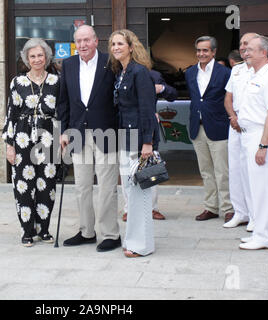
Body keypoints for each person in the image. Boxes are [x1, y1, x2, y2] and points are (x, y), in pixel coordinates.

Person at [57, 25, 121, 252]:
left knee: (107, 188)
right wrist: (63, 131)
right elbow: (63, 102)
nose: (83, 45)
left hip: (107, 133)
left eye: (87, 40)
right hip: (77, 133)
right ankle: (86, 232)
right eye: (79, 41)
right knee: (82, 187)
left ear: (96, 41)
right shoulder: (68, 65)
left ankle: (111, 234)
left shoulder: (110, 63)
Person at [2, 38, 60, 247]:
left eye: (40, 55)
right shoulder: (17, 82)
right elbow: (11, 114)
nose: (37, 59)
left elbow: (62, 112)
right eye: (32, 56)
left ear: (46, 57)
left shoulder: (56, 81)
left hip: (49, 136)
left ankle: (44, 229)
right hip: (23, 136)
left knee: (47, 184)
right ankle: (27, 230)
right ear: (27, 59)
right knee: (24, 185)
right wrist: (9, 145)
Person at [109, 29, 157, 257]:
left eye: (120, 43)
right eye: (113, 44)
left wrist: (147, 143)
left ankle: (142, 246)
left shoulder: (140, 73)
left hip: (139, 141)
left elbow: (148, 110)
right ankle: (133, 240)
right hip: (125, 139)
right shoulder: (122, 73)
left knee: (141, 195)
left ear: (131, 46)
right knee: (131, 193)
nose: (116, 47)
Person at [185, 36, 234, 222]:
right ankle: (211, 207)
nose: (201, 54)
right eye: (198, 50)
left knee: (223, 171)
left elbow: (231, 98)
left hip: (219, 126)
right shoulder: (190, 72)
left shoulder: (225, 73)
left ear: (213, 52)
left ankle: (229, 208)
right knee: (206, 171)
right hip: (197, 127)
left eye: (205, 50)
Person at [121, 69, 178, 222]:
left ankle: (152, 208)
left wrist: (162, 89)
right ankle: (128, 209)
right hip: (126, 127)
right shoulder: (119, 75)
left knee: (150, 168)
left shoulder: (152, 74)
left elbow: (173, 94)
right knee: (126, 171)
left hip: (147, 128)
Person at [238, 35, 268, 250]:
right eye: (245, 49)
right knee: (255, 188)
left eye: (251, 49)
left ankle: (264, 236)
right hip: (249, 135)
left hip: (260, 136)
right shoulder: (255, 74)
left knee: (262, 189)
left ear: (263, 52)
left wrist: (263, 145)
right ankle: (261, 232)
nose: (246, 52)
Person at [223, 33, 258, 231]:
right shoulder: (236, 70)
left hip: (254, 127)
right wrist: (233, 118)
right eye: (242, 44)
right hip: (235, 125)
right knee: (235, 170)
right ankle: (240, 212)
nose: (244, 47)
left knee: (251, 173)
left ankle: (255, 215)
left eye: (247, 43)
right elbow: (228, 97)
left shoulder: (264, 70)